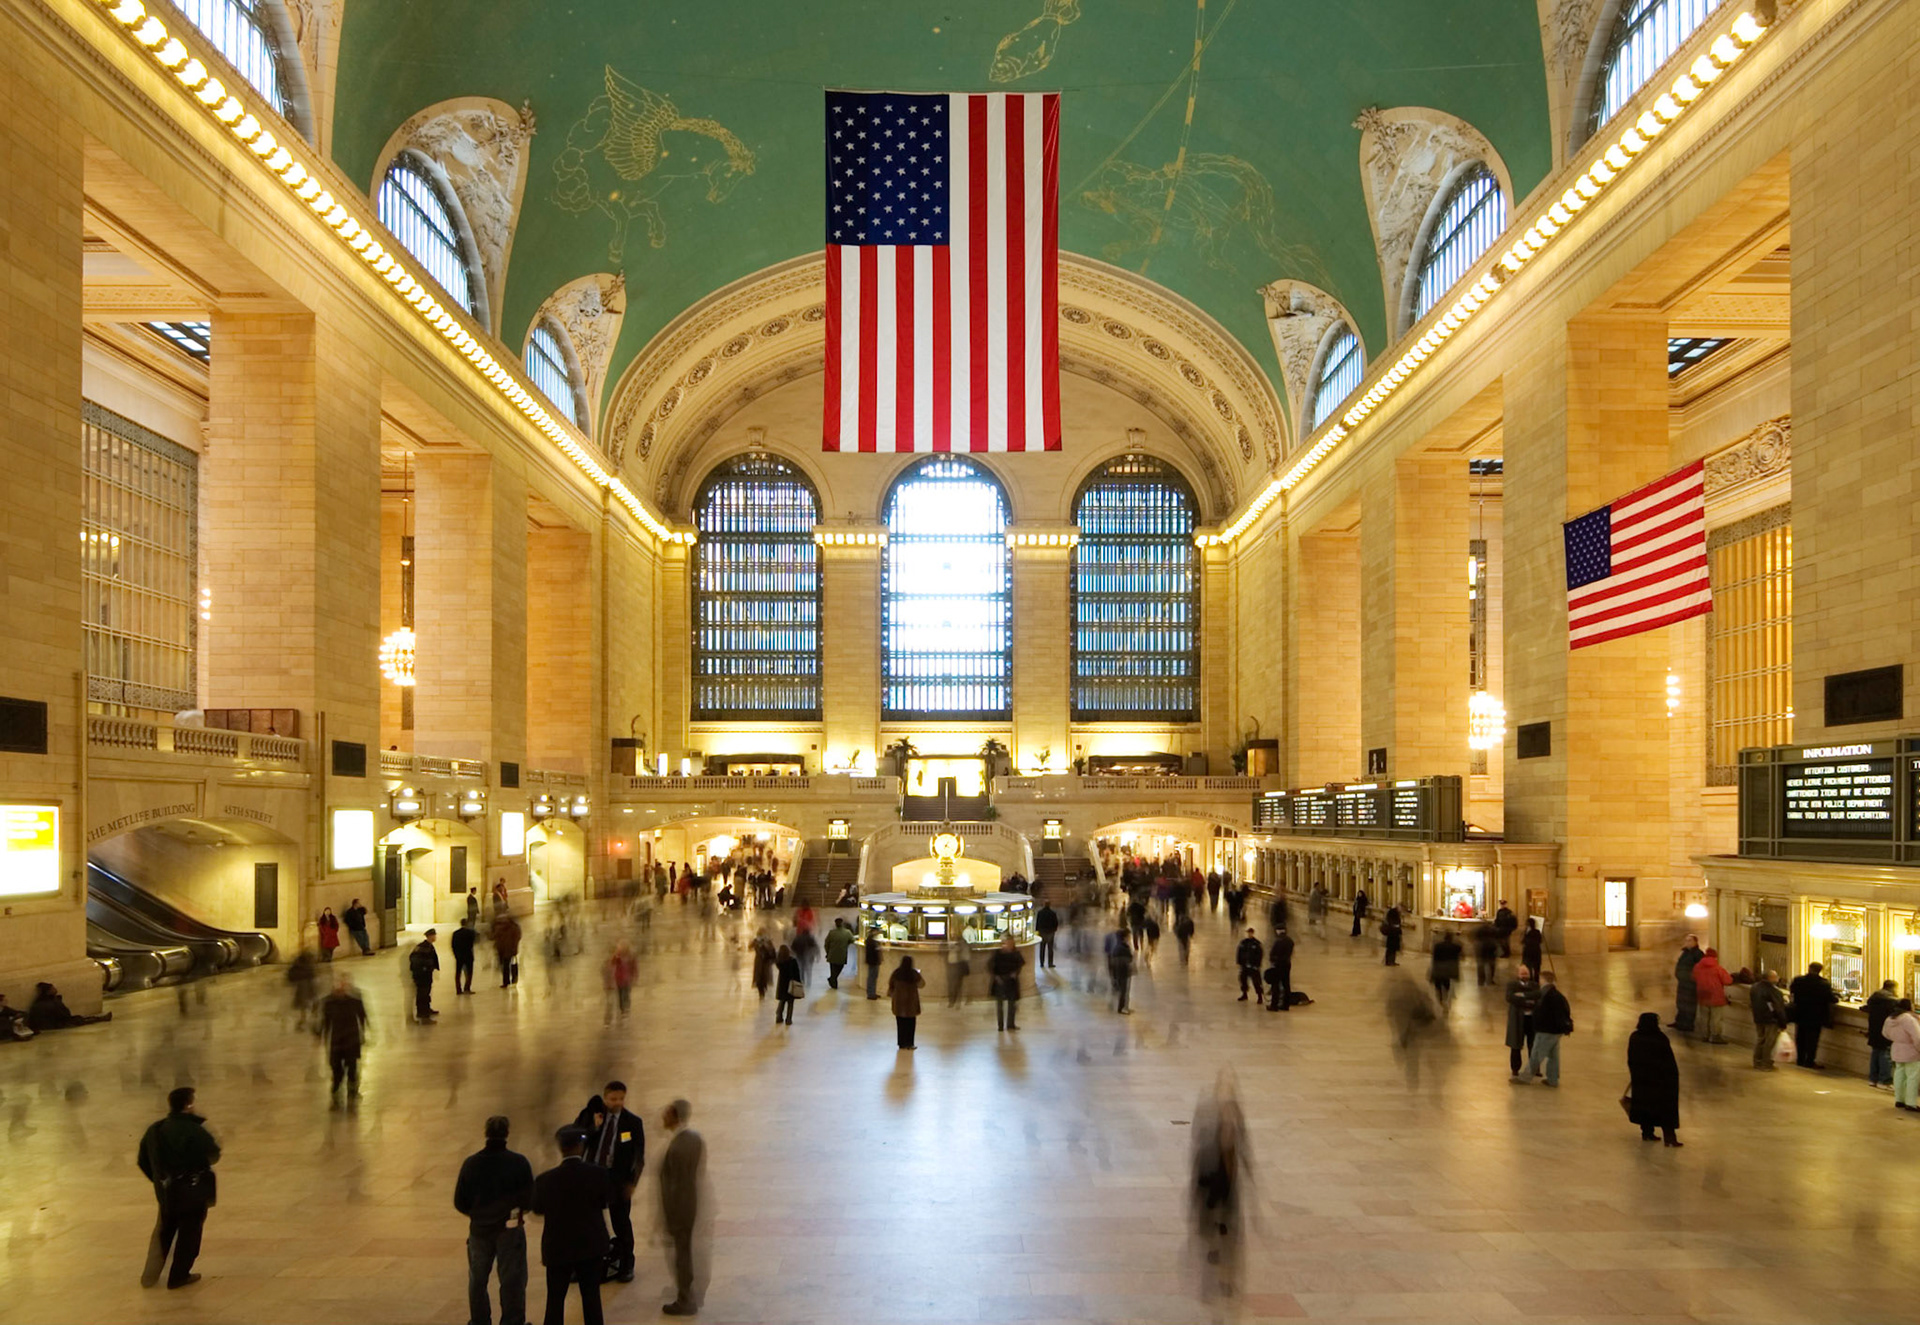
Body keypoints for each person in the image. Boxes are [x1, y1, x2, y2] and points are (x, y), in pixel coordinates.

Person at [137, 1086, 220, 1290]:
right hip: (191, 1191)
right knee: (189, 1233)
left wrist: (159, 1181)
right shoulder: (193, 1129)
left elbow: (143, 1160)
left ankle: (150, 1276)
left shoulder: (154, 1129)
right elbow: (214, 1154)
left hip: (166, 1192)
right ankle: (179, 1276)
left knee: (164, 1232)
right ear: (188, 1104)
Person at [455, 1115, 533, 1325]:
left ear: (485, 1133)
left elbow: (460, 1201)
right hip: (509, 1229)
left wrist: (478, 1215)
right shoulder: (518, 1162)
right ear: (507, 1133)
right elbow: (529, 1198)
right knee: (512, 1279)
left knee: (477, 1280)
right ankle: (513, 1320)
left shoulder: (471, 1164)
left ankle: (479, 1321)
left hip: (479, 1230)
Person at [530, 1126, 610, 1325]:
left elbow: (538, 1209)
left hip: (557, 1248)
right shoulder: (598, 1174)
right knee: (591, 1298)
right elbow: (605, 1201)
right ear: (581, 1146)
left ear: (560, 1148)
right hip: (591, 1246)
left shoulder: (544, 1180)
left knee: (555, 1300)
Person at [574, 1083, 644, 1283]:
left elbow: (639, 1156)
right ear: (605, 1098)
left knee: (621, 1222)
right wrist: (593, 1128)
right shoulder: (591, 1114)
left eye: (621, 1098)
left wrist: (632, 1183)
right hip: (592, 1177)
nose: (617, 1103)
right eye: (613, 1099)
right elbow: (577, 1138)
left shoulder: (633, 1123)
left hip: (618, 1180)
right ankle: (585, 1264)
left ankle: (627, 1264)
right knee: (587, 1221)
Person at [658, 1099, 706, 1316]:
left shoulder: (677, 1147)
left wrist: (668, 1217)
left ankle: (685, 1299)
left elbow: (674, 1186)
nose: (662, 1116)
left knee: (682, 1255)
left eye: (666, 1113)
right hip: (690, 1203)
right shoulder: (694, 1138)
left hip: (680, 1208)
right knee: (685, 1252)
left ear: (675, 1116)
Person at [1626, 1012, 1682, 1146]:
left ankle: (1647, 1133)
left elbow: (1631, 1059)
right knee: (1666, 1109)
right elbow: (1668, 1061)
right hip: (1660, 1081)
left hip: (1642, 1080)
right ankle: (1669, 1137)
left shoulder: (1635, 1037)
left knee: (1645, 1106)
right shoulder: (1659, 1038)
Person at [317, 977, 369, 1102]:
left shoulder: (354, 1001)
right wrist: (320, 1035)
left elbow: (362, 1016)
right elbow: (325, 1021)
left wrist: (363, 1033)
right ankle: (336, 1086)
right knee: (336, 1066)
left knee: (352, 1066)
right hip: (337, 1040)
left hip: (351, 1039)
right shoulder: (328, 1002)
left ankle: (352, 1090)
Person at [1523, 970, 1573, 1086]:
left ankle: (1525, 1078)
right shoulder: (1558, 995)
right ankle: (1552, 1079)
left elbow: (1543, 1011)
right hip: (1556, 1031)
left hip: (1546, 1030)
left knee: (1536, 1054)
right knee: (1553, 1056)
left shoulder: (1547, 994)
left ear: (1543, 980)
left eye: (1540, 979)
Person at [1788, 962, 1839, 1069]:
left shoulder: (1798, 980)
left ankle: (1800, 1059)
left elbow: (1792, 991)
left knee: (1800, 1037)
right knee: (1812, 1040)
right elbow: (1832, 999)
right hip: (1815, 1016)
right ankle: (1809, 1061)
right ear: (1820, 970)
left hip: (1800, 1013)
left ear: (1809, 968)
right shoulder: (1823, 984)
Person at [1504, 966, 1541, 1080]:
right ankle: (1515, 1070)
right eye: (1522, 973)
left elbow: (1538, 997)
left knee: (1534, 1045)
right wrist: (1528, 1001)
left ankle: (1535, 1068)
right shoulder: (1512, 985)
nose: (1524, 976)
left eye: (1526, 973)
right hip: (1518, 1019)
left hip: (1532, 1020)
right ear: (1518, 974)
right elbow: (1510, 997)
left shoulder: (1535, 985)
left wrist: (1523, 998)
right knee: (1516, 1046)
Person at [26, 981, 110, 1030]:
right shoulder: (49, 1003)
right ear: (48, 992)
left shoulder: (44, 1001)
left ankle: (99, 1018)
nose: (55, 990)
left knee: (79, 1018)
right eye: (53, 989)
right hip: (53, 1024)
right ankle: (100, 1019)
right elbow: (64, 1014)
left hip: (53, 1022)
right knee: (79, 1020)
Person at [1749, 969, 1789, 1070]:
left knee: (1761, 1039)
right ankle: (1766, 1063)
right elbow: (1778, 1008)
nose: (1777, 978)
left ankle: (1757, 1061)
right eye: (1775, 977)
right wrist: (1783, 1023)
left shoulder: (1754, 988)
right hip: (1771, 1019)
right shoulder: (1774, 991)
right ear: (1770, 978)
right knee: (1769, 1042)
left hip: (1758, 1017)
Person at [1865, 979, 1902, 1089]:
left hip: (1873, 1029)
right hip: (1885, 1030)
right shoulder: (1891, 1001)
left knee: (1875, 1052)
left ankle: (1873, 1079)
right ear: (1893, 988)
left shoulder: (1873, 998)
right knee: (1885, 1054)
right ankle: (1884, 1080)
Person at [1692, 947, 1733, 1043]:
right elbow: (1728, 980)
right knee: (1716, 1018)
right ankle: (1715, 1036)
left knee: (1704, 1017)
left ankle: (1704, 1035)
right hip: (1716, 996)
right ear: (1715, 957)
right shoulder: (1717, 968)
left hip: (1702, 995)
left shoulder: (1697, 967)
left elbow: (1693, 977)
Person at [1886, 999, 1920, 1111]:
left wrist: (1897, 1040)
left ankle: (1899, 1099)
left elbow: (1885, 1033)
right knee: (1912, 1077)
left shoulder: (1890, 1018)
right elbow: (1917, 1037)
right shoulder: (1909, 1019)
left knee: (1899, 1074)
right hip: (1911, 1050)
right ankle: (1910, 1102)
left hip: (1897, 1048)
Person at [988, 935, 1024, 1032]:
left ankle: (1010, 1024)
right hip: (1000, 981)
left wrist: (1015, 973)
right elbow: (991, 966)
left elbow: (1020, 965)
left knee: (1012, 1003)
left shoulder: (1016, 954)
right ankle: (1000, 1025)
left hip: (1011, 981)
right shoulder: (998, 954)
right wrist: (996, 976)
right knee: (1000, 1005)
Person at [888, 955, 924, 1049]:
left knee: (900, 1024)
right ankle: (909, 1043)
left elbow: (891, 985)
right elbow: (922, 984)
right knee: (910, 1024)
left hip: (899, 1003)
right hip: (910, 1003)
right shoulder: (913, 974)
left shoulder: (896, 973)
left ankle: (901, 1043)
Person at [1671, 935, 1705, 1033]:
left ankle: (1688, 1024)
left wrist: (1691, 978)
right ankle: (1679, 1021)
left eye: (1690, 940)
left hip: (1691, 984)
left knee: (1689, 1004)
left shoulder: (1698, 954)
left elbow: (1698, 969)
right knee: (1680, 1002)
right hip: (1682, 982)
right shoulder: (1685, 953)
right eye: (1686, 940)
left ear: (1695, 942)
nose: (1687, 942)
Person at [409, 930, 441, 1020]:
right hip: (422, 975)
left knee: (426, 992)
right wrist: (425, 967)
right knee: (423, 993)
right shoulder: (423, 947)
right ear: (429, 936)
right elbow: (415, 960)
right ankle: (422, 1012)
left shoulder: (428, 946)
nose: (435, 937)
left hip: (426, 974)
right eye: (434, 935)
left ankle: (426, 1009)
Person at [287, 948, 320, 1030]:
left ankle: (305, 1021)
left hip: (304, 986)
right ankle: (306, 1021)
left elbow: (291, 976)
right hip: (304, 986)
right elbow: (311, 974)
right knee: (308, 1003)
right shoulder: (305, 965)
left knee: (306, 1005)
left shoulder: (299, 964)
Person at [1429, 929, 1462, 1009]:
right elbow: (1460, 953)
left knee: (1438, 985)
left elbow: (1434, 958)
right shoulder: (1456, 947)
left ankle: (1440, 999)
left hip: (1439, 968)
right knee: (1446, 984)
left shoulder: (1438, 946)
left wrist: (1432, 971)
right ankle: (1445, 998)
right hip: (1448, 969)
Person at [1106, 925, 1136, 1015]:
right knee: (1123, 990)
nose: (1129, 938)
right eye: (1128, 936)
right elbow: (1125, 960)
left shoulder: (1119, 946)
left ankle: (1122, 1006)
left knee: (1123, 990)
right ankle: (1121, 1007)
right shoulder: (1121, 948)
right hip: (1123, 972)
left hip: (1122, 972)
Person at [1264, 929, 1294, 1012]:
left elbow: (1273, 954)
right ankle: (1286, 1005)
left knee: (1275, 985)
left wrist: (1273, 960)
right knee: (1286, 985)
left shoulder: (1278, 941)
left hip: (1278, 965)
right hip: (1287, 964)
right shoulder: (1290, 941)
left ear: (1278, 931)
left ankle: (1274, 1005)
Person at [773, 944, 801, 1026]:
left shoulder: (779, 962)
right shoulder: (792, 961)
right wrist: (799, 982)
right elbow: (797, 973)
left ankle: (779, 1017)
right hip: (791, 983)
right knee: (790, 1002)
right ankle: (788, 1019)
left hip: (782, 984)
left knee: (782, 1001)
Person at [493, 912, 523, 988]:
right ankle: (513, 979)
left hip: (505, 949)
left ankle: (507, 981)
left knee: (506, 966)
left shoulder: (500, 928)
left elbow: (494, 937)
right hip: (509, 950)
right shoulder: (514, 927)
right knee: (510, 965)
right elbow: (518, 937)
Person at [823, 918, 854, 990]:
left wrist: (827, 952)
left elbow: (826, 943)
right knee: (839, 968)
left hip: (832, 955)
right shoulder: (847, 932)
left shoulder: (831, 933)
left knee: (833, 970)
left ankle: (833, 982)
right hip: (842, 955)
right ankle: (833, 981)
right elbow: (852, 940)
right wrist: (847, 943)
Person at [451, 917, 479, 995]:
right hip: (468, 955)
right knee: (469, 972)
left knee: (458, 973)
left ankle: (458, 989)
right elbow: (473, 942)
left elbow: (453, 945)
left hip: (459, 956)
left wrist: (456, 954)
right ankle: (467, 988)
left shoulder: (456, 933)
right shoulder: (470, 933)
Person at [1234, 928, 1263, 1002]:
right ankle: (1244, 994)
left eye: (1250, 933)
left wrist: (1257, 965)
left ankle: (1259, 996)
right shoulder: (1244, 942)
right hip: (1244, 966)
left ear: (1253, 933)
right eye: (1248, 933)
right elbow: (1239, 952)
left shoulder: (1257, 943)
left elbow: (1260, 955)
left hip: (1253, 966)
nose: (1249, 934)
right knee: (1243, 980)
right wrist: (1239, 962)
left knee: (1256, 982)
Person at [944, 931, 971, 1007]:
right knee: (956, 984)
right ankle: (956, 1001)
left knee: (957, 984)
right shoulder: (956, 944)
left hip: (958, 965)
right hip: (955, 965)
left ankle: (956, 1001)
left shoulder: (961, 945)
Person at [1472, 921, 1499, 987]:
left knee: (1481, 966)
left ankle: (1481, 980)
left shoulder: (1479, 930)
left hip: (1481, 949)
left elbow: (1474, 937)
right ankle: (1490, 980)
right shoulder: (1493, 930)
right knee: (1491, 965)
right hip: (1491, 949)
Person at [1035, 902, 1059, 969]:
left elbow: (1037, 922)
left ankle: (1042, 963)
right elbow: (1056, 923)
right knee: (1050, 948)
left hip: (1042, 932)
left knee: (1042, 948)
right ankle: (1050, 963)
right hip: (1050, 932)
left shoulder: (1040, 913)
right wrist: (1054, 929)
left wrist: (1037, 930)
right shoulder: (1053, 913)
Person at [863, 926, 882, 1000]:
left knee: (873, 977)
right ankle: (871, 993)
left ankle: (872, 992)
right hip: (873, 961)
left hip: (872, 961)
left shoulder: (870, 940)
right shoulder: (871, 941)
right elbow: (874, 951)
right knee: (872, 977)